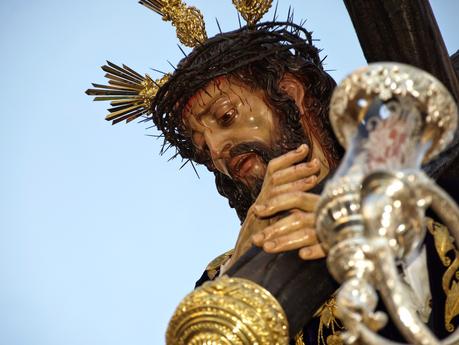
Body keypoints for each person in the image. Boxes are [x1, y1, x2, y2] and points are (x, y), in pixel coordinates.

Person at [87, 4, 459, 344]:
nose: (216, 151)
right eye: (203, 148)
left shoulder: (414, 170)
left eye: (226, 116)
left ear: (290, 92)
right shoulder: (220, 279)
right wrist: (242, 265)